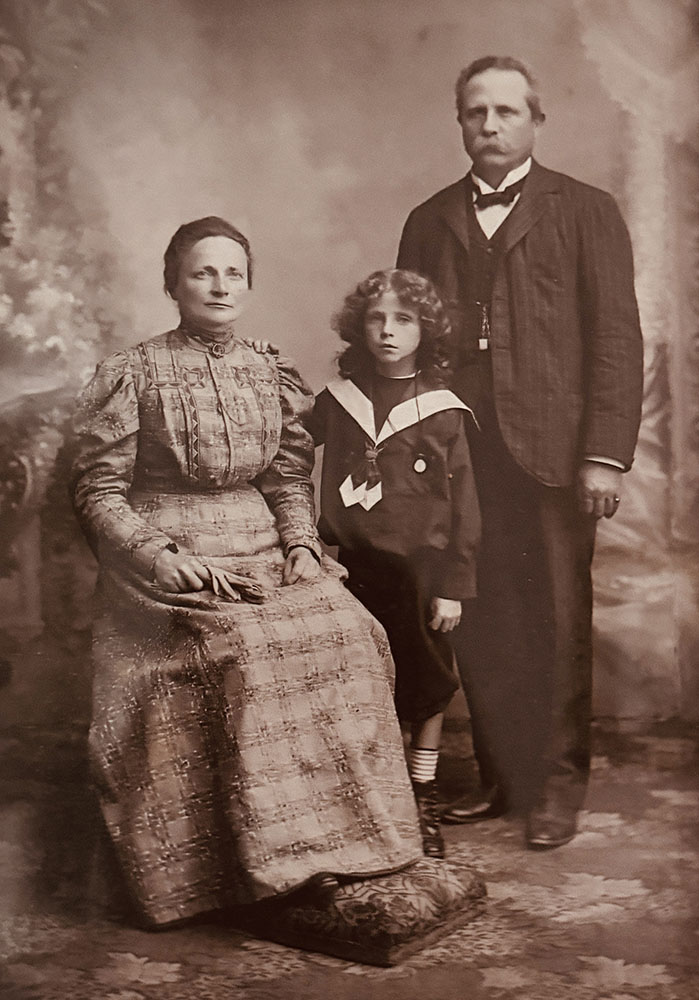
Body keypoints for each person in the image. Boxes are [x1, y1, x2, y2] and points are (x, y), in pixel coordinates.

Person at [70, 216, 423, 928]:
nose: (219, 286)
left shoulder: (268, 369)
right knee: (250, 648)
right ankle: (260, 866)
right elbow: (97, 492)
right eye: (202, 272)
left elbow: (286, 478)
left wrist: (301, 545)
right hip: (169, 563)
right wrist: (159, 556)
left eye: (233, 273)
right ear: (173, 284)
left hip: (264, 549)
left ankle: (345, 846)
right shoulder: (133, 371)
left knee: (350, 630)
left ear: (249, 284)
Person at [396, 56, 643, 849]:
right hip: (458, 455)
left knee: (557, 622)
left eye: (506, 111)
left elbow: (615, 339)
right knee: (477, 618)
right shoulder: (427, 220)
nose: (490, 125)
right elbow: (403, 345)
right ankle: (502, 780)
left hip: (553, 454)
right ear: (460, 124)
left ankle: (557, 789)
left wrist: (602, 453)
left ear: (536, 120)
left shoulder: (586, 209)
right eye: (476, 112)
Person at [308, 269, 480, 860]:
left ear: (424, 331)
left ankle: (422, 794)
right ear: (359, 327)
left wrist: (453, 585)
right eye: (376, 318)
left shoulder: (443, 411)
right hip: (352, 569)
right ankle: (367, 797)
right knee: (357, 682)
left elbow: (465, 507)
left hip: (423, 573)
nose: (387, 330)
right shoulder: (339, 402)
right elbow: (285, 448)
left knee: (427, 682)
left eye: (403, 319)